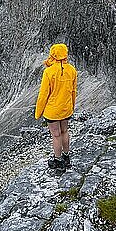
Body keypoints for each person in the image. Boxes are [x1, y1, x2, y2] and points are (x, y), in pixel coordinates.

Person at [35, 43, 77, 172]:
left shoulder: (49, 72)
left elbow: (43, 95)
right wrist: (72, 106)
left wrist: (38, 112)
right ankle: (66, 156)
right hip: (66, 108)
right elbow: (73, 91)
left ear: (53, 55)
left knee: (56, 135)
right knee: (65, 131)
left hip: (53, 110)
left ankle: (58, 160)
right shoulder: (72, 70)